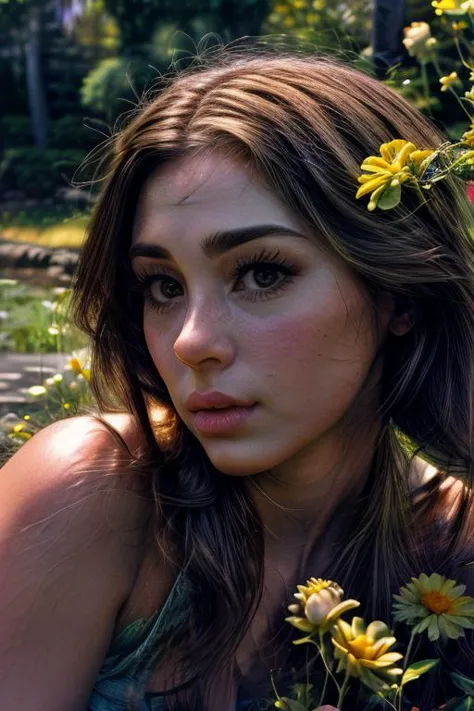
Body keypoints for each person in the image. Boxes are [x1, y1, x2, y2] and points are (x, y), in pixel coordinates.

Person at [1, 46, 474, 711]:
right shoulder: (93, 496)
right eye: (162, 285)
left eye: (262, 273)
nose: (191, 340)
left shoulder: (457, 550)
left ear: (396, 291)